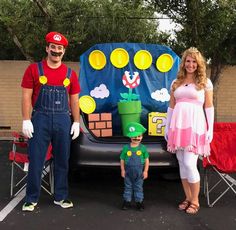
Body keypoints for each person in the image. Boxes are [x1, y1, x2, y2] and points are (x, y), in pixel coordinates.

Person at [21, 31, 81, 211]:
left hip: (64, 120)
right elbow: (26, 96)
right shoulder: (33, 69)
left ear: (64, 51)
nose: (56, 51)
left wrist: (76, 121)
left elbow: (75, 100)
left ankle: (61, 197)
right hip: (40, 119)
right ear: (47, 48)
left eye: (60, 48)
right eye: (53, 47)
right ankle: (31, 198)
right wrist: (26, 119)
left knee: (63, 160)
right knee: (36, 160)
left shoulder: (70, 74)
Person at [165, 47, 214, 214]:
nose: (191, 64)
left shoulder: (205, 83)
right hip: (178, 128)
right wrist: (167, 127)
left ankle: (195, 200)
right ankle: (188, 197)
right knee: (181, 162)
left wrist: (210, 128)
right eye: (188, 61)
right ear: (183, 63)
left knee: (189, 163)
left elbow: (209, 107)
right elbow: (171, 107)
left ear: (198, 64)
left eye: (194, 61)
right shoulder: (175, 82)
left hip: (195, 127)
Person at [120, 122, 149, 211]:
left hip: (139, 173)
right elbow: (122, 159)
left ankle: (139, 202)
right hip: (128, 172)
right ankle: (126, 202)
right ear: (130, 137)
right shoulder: (126, 147)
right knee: (128, 187)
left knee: (138, 187)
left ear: (142, 136)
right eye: (134, 137)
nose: (136, 138)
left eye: (139, 136)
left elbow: (147, 160)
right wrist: (122, 170)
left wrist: (145, 171)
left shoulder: (143, 148)